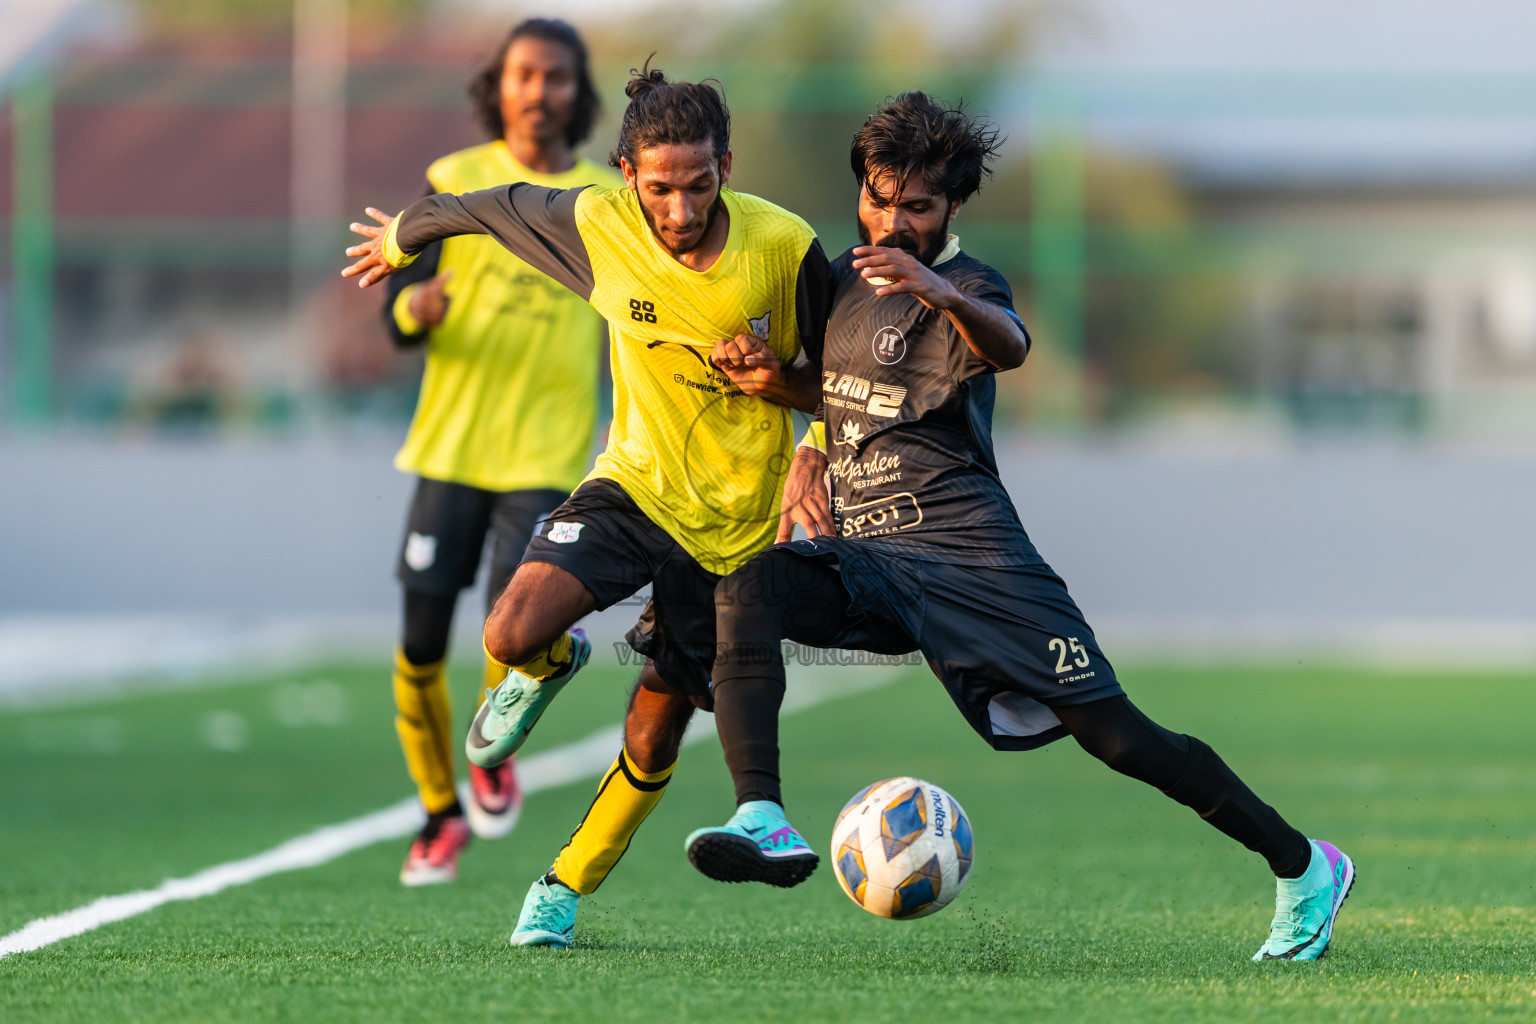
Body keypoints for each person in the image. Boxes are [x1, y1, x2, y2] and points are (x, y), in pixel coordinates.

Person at [697, 92, 1355, 962]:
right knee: (746, 589)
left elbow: (1008, 344)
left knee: (1120, 739)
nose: (894, 221)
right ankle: (763, 816)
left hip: (974, 562)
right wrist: (772, 385)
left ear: (953, 208)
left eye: (918, 207)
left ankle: (1305, 865)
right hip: (871, 560)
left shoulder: (969, 285)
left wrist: (940, 291)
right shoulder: (841, 282)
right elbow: (842, 392)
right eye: (878, 198)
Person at [343, 63, 834, 941]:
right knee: (506, 633)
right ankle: (547, 666)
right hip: (634, 482)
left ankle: (560, 890)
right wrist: (403, 240)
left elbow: (844, 384)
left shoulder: (785, 248)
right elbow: (478, 204)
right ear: (624, 175)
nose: (679, 211)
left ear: (728, 163)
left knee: (652, 734)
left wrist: (789, 400)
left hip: (736, 523)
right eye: (660, 190)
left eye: (699, 186)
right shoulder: (597, 224)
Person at [381, 18, 620, 887]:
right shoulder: (453, 179)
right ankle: (439, 815)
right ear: (500, 84)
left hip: (548, 452)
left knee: (510, 631)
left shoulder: (605, 197)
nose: (539, 90)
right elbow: (395, 305)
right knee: (416, 646)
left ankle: (493, 748)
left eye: (556, 76)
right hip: (450, 447)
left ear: (576, 90)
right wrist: (418, 311)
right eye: (524, 74)